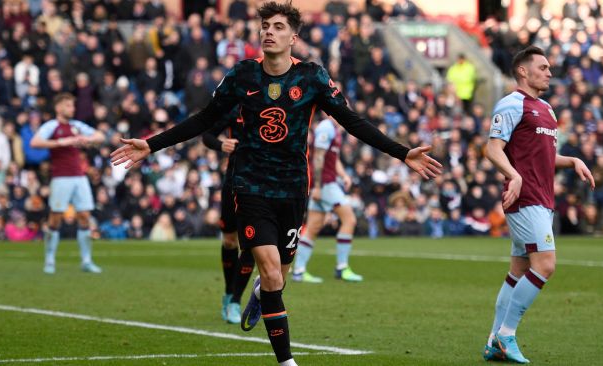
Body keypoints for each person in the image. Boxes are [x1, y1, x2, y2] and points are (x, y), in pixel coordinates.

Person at [111, 2, 442, 365]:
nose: (269, 31)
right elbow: (204, 119)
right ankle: (286, 361)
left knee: (277, 281)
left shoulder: (312, 77)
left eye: (278, 26)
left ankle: (263, 292)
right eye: (265, 25)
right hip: (250, 186)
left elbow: (351, 121)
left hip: (293, 190)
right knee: (269, 269)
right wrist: (152, 144)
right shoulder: (242, 75)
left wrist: (402, 153)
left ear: (293, 38)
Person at [482, 45, 595, 363]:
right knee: (545, 265)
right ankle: (506, 335)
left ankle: (494, 340)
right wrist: (513, 176)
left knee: (518, 270)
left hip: (542, 198)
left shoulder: (547, 109)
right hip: (525, 197)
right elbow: (493, 149)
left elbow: (543, 155)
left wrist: (571, 160)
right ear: (523, 71)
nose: (549, 72)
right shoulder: (511, 104)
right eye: (543, 67)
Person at [30, 93, 105, 274]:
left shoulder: (76, 126)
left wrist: (86, 139)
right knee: (55, 218)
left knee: (85, 216)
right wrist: (62, 142)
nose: (72, 109)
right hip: (61, 177)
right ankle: (49, 260)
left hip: (79, 177)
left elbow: (100, 136)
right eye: (68, 106)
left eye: (72, 105)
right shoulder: (52, 126)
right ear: (59, 108)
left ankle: (86, 261)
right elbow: (35, 142)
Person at [292, 115, 361, 283]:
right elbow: (318, 157)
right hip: (325, 184)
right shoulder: (326, 127)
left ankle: (299, 271)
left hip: (325, 183)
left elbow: (333, 158)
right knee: (349, 220)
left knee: (313, 227)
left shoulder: (335, 130)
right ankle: (341, 267)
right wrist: (317, 186)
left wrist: (344, 175)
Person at [202, 108, 256, 324]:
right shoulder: (236, 106)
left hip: (262, 183)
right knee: (230, 240)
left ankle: (236, 299)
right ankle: (228, 292)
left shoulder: (276, 103)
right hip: (234, 180)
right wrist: (220, 144)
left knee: (253, 243)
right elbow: (207, 134)